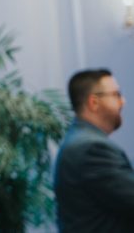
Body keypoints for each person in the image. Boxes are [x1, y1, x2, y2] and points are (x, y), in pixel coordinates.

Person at [54, 68, 134, 232]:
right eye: (116, 95)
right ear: (94, 102)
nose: (123, 101)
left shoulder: (80, 140)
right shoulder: (92, 149)